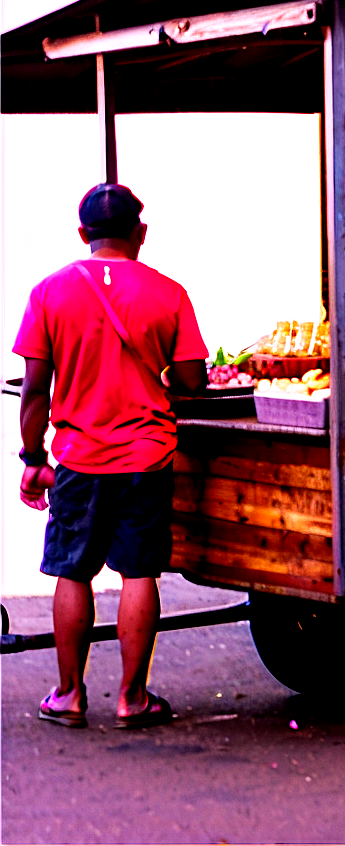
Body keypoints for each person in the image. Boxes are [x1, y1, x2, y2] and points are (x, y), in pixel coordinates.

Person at [14, 183, 208, 729]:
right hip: (147, 455)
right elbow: (193, 378)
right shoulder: (168, 292)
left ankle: (69, 695)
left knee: (72, 573)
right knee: (139, 573)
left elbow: (34, 391)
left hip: (77, 457)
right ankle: (132, 697)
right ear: (140, 233)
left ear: (83, 235)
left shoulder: (48, 292)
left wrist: (33, 458)